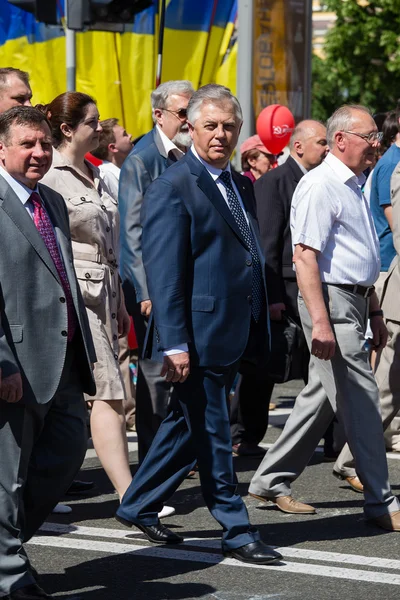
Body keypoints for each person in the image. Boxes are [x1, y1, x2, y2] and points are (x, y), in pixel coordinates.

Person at [116, 84, 282, 565]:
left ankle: (137, 502)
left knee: (183, 429)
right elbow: (165, 275)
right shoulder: (173, 185)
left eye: (229, 126)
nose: (221, 134)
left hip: (235, 329)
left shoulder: (240, 183)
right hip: (197, 334)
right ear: (189, 127)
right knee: (211, 433)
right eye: (210, 125)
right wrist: (174, 344)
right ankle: (235, 529)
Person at [249, 105, 400, 532]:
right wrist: (320, 321)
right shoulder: (320, 185)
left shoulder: (354, 182)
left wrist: (372, 308)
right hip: (330, 303)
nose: (377, 145)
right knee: (361, 399)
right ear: (340, 140)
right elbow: (305, 257)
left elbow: (359, 254)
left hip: (351, 300)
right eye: (370, 137)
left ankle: (269, 479)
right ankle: (380, 501)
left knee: (321, 394)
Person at [0, 106, 96, 600]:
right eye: (26, 145)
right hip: (15, 363)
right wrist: (2, 362)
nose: (38, 153)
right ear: (2, 148)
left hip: (64, 359)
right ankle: (11, 576)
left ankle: (8, 546)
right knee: (8, 478)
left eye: (43, 144)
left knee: (64, 454)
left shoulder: (51, 201)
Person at [40, 92, 132, 502]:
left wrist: (122, 303)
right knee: (108, 393)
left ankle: (45, 486)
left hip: (106, 295)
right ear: (66, 128)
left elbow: (111, 243)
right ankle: (131, 496)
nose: (100, 128)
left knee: (75, 400)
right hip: (76, 295)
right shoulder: (49, 175)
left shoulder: (97, 173)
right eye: (92, 122)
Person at [231, 120, 331, 458]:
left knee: (320, 368)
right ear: (298, 146)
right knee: (265, 368)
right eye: (321, 142)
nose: (327, 148)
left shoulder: (326, 180)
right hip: (285, 291)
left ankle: (333, 440)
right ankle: (246, 435)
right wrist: (272, 297)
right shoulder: (274, 182)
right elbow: (268, 245)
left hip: (316, 285)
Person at [119, 81, 194, 484]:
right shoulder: (143, 158)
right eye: (182, 112)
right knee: (155, 384)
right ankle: (150, 473)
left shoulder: (188, 154)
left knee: (180, 378)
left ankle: (173, 464)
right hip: (155, 292)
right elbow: (130, 231)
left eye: (190, 111)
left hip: (184, 285)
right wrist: (144, 291)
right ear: (158, 114)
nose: (188, 119)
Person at [91, 118, 136, 431]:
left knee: (121, 353)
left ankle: (126, 414)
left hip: (116, 272)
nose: (130, 135)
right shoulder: (107, 174)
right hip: (106, 273)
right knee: (114, 356)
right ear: (111, 146)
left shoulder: (113, 174)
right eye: (123, 133)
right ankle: (123, 415)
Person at [91, 117, 133, 200]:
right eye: (125, 134)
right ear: (113, 147)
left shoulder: (130, 169)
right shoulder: (105, 178)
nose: (130, 135)